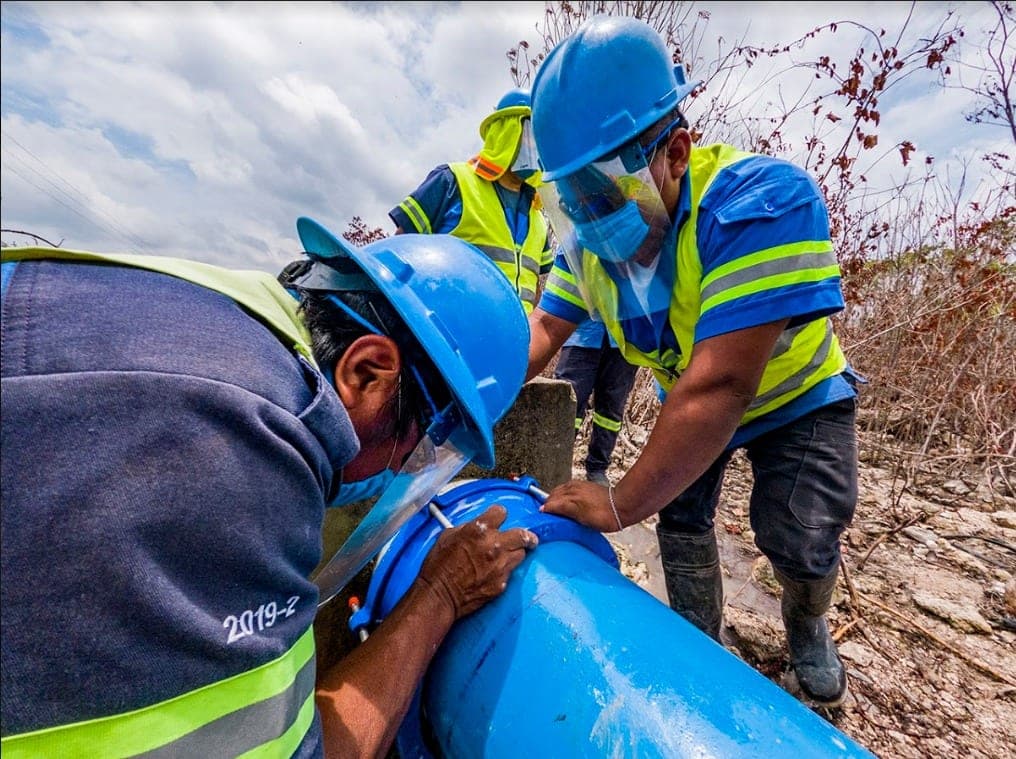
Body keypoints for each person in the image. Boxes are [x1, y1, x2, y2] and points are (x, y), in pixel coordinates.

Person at [0, 219, 538, 757]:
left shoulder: (202, 311)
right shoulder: (246, 452)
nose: (402, 469)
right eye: (421, 449)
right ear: (368, 373)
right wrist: (438, 594)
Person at [524, 14, 861, 709]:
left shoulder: (760, 204)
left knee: (800, 531)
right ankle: (698, 645)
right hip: (696, 401)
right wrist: (458, 393)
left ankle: (806, 620)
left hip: (793, 396)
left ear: (675, 152)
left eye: (605, 189)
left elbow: (722, 384)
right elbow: (540, 334)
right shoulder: (589, 249)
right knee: (680, 516)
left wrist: (620, 501)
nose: (589, 215)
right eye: (572, 197)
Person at [388, 88, 553, 314]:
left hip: (511, 340)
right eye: (532, 137)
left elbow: (534, 288)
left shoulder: (539, 217)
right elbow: (397, 252)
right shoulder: (452, 181)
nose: (537, 148)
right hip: (447, 332)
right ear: (505, 132)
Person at [553, 315, 639, 487]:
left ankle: (597, 468)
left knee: (612, 408)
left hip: (626, 339)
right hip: (583, 333)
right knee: (567, 402)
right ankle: (555, 464)